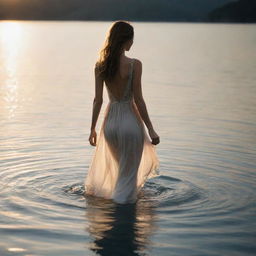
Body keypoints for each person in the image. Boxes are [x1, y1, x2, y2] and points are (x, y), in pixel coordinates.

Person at [84, 20, 160, 204]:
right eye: (132, 39)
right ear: (126, 40)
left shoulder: (100, 65)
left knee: (121, 172)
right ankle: (124, 210)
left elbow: (98, 100)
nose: (132, 43)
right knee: (128, 176)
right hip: (130, 123)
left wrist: (92, 129)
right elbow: (139, 100)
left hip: (110, 125)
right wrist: (151, 129)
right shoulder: (135, 65)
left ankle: (116, 209)